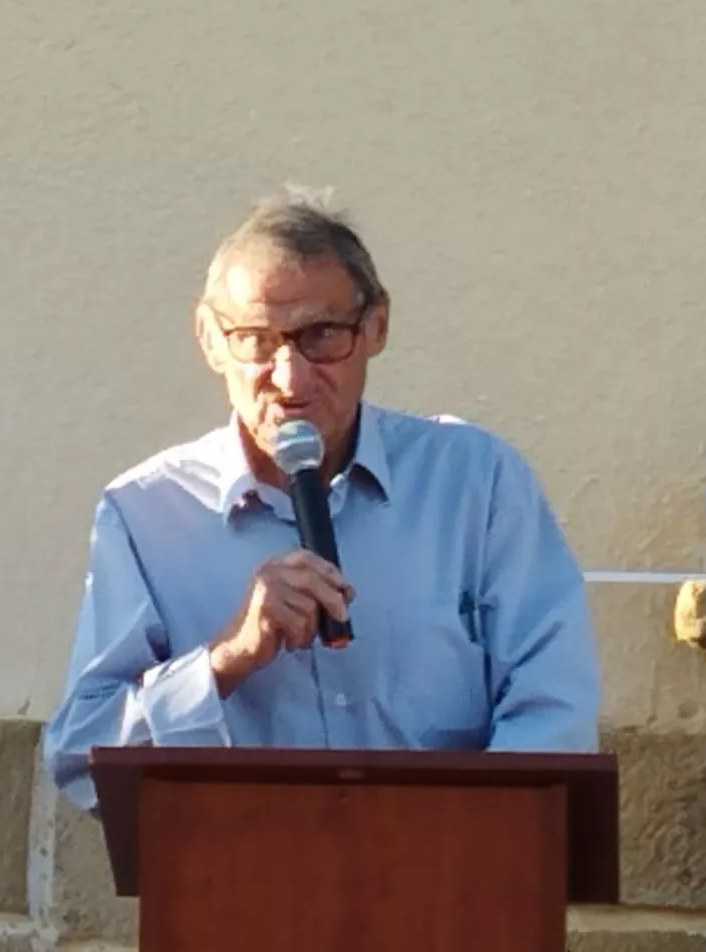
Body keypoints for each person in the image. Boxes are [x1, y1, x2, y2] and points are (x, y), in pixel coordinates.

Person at [43, 188, 600, 813]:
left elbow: (556, 715)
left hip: (446, 886)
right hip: (244, 887)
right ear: (209, 339)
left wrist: (452, 846)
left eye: (322, 335)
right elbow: (81, 759)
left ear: (376, 326)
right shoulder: (147, 513)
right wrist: (225, 661)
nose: (290, 379)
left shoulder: (477, 482)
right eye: (255, 340)